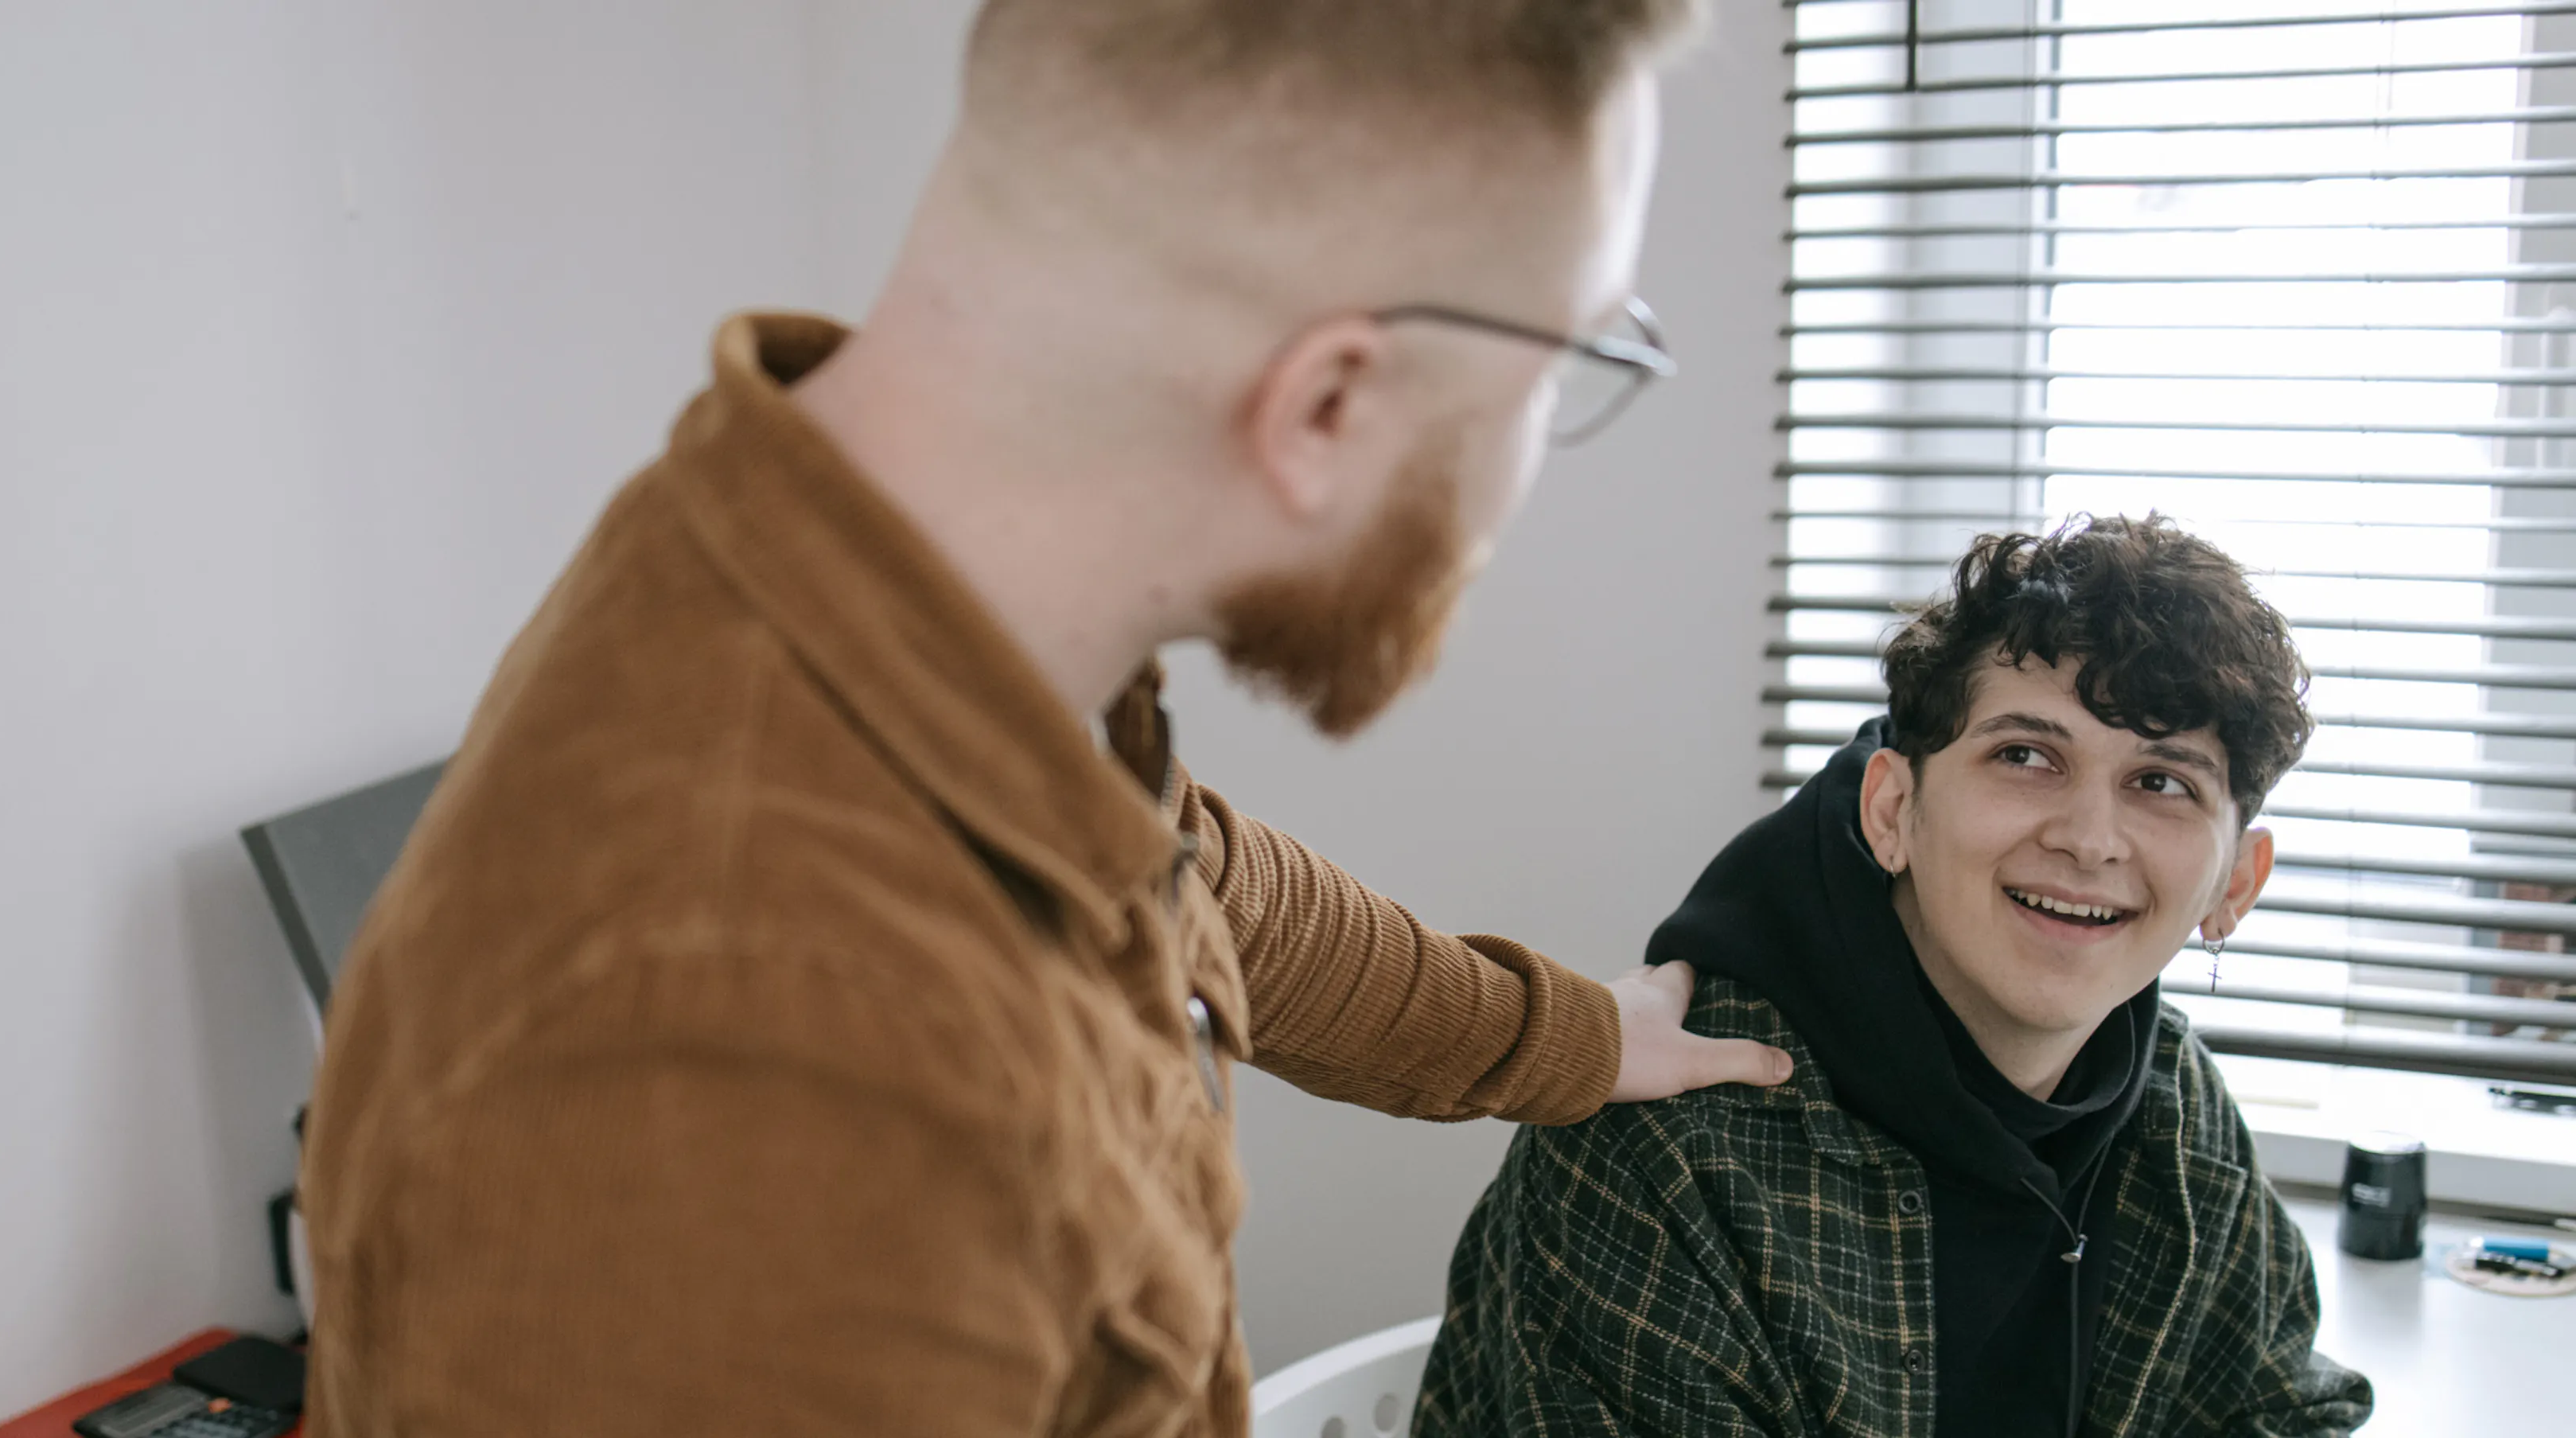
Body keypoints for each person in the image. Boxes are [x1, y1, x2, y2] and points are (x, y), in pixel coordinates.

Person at [297, 2, 1792, 1435]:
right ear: (1326, 405)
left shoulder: (883, 594)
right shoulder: (755, 1053)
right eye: (1568, 364)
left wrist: (1574, 1035)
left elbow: (1205, 892)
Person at [1417, 516, 2375, 1438]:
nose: (2090, 839)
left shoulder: (2177, 1110)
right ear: (1892, 811)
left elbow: (2284, 1409)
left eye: (2161, 782)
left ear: (2234, 884)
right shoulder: (1667, 1150)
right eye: (2026, 755)